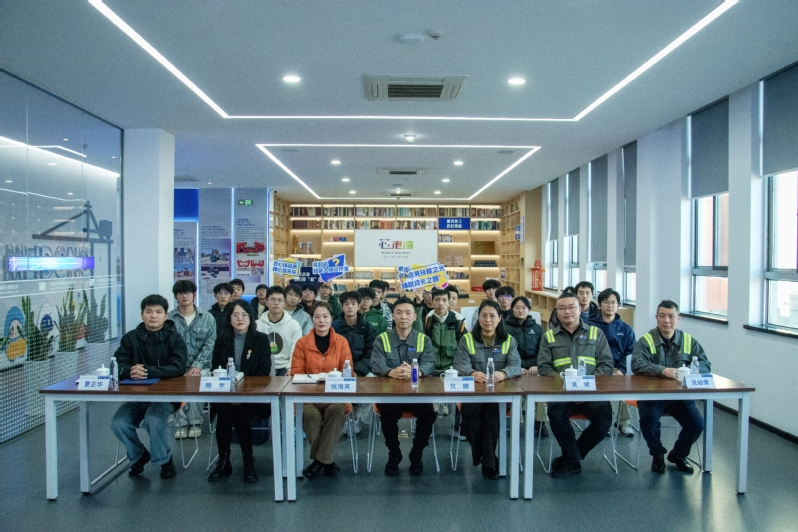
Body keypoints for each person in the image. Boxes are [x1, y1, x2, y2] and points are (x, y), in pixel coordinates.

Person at [537, 292, 614, 478]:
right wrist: (566, 383)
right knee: (556, 416)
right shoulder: (549, 337)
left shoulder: (596, 334)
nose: (567, 312)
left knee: (604, 419)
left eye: (571, 307)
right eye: (562, 308)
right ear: (557, 312)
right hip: (562, 391)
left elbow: (606, 365)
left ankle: (572, 457)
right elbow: (544, 367)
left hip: (591, 391)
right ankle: (572, 460)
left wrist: (587, 385)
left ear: (580, 309)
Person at [110, 294, 187, 479]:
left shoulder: (174, 338)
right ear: (142, 314)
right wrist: (130, 371)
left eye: (158, 312)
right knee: (119, 423)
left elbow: (178, 367)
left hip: (167, 397)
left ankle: (164, 460)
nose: (153, 316)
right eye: (149, 311)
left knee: (153, 418)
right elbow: (118, 363)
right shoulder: (130, 338)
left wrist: (148, 371)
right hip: (138, 397)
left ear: (166, 315)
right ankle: (138, 455)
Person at [632, 300, 711, 474]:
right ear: (656, 318)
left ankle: (678, 455)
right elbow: (637, 364)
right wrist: (662, 370)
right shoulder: (646, 340)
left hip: (679, 396)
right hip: (652, 395)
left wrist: (691, 371)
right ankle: (657, 455)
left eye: (671, 316)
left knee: (697, 424)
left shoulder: (688, 341)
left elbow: (705, 364)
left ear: (678, 318)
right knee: (649, 421)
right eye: (662, 316)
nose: (666, 320)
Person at [453, 300, 522, 479]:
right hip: (473, 393)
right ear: (478, 318)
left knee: (492, 418)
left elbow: (516, 365)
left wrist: (504, 373)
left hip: (499, 393)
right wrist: (472, 372)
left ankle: (486, 462)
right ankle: (488, 459)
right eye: (484, 315)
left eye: (492, 316)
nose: (488, 320)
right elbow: (459, 364)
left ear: (499, 318)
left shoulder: (509, 340)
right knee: (471, 419)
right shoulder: (467, 339)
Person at [370, 297, 437, 475]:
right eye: (399, 312)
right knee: (387, 414)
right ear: (393, 316)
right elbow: (376, 364)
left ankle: (417, 452)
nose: (403, 317)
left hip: (418, 393)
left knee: (429, 414)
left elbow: (430, 363)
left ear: (415, 316)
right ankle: (394, 452)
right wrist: (391, 372)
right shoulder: (382, 339)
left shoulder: (423, 339)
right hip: (391, 394)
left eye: (408, 313)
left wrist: (418, 371)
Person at [207, 300, 272, 483]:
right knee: (225, 412)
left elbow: (263, 373)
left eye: (244, 315)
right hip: (226, 394)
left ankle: (247, 460)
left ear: (251, 318)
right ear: (229, 319)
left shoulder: (260, 339)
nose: (240, 319)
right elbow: (215, 367)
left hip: (253, 395)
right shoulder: (222, 339)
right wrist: (230, 394)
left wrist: (241, 394)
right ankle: (224, 460)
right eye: (235, 315)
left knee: (239, 413)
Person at [291, 301, 354, 479]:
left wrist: (330, 393)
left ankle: (319, 462)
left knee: (336, 411)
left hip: (336, 395)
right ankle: (327, 461)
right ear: (312, 319)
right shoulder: (302, 343)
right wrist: (314, 394)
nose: (321, 321)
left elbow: (348, 372)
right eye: (317, 317)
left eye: (325, 316)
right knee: (311, 416)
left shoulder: (341, 342)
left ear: (331, 319)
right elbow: (296, 373)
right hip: (308, 396)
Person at [169, 280, 217, 438]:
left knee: (197, 380)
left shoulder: (207, 317)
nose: (184, 296)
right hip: (176, 366)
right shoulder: (169, 319)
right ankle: (181, 424)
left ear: (194, 294)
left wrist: (197, 365)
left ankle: (196, 422)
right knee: (175, 382)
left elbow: (210, 344)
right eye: (180, 293)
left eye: (187, 292)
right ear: (175, 296)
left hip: (201, 366)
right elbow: (167, 346)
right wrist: (177, 366)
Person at [589, 288, 636, 437]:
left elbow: (630, 352)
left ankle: (623, 422)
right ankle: (604, 422)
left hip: (618, 369)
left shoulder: (626, 329)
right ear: (599, 305)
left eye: (613, 302)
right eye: (606, 302)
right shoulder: (589, 326)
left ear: (618, 305)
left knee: (625, 384)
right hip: (596, 369)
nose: (610, 305)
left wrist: (621, 369)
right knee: (603, 385)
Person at [331, 290, 377, 435]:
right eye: (346, 304)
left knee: (373, 385)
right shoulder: (333, 327)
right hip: (338, 369)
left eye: (353, 303)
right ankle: (343, 418)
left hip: (361, 368)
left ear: (359, 306)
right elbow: (331, 353)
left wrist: (357, 370)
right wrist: (344, 372)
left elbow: (371, 353)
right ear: (342, 306)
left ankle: (360, 419)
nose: (350, 307)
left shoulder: (368, 328)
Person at [504, 296, 547, 437]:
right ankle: (516, 422)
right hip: (515, 368)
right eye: (517, 307)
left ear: (529, 310)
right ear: (512, 309)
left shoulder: (537, 328)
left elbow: (543, 351)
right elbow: (505, 352)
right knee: (517, 389)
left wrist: (537, 365)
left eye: (524, 307)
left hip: (534, 368)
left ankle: (540, 422)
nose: (520, 310)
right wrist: (516, 367)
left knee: (540, 389)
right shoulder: (504, 327)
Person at [423, 287, 467, 418]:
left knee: (461, 400)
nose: (440, 303)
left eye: (444, 300)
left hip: (452, 368)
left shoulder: (458, 322)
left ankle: (456, 425)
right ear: (432, 302)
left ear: (449, 302)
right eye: (437, 300)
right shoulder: (428, 321)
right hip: (431, 368)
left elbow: (464, 347)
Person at [255, 286, 302, 376]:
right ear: (266, 302)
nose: (276, 303)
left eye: (280, 300)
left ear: (284, 303)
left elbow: (295, 350)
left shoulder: (294, 325)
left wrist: (290, 368)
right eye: (273, 299)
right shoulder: (257, 325)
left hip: (285, 368)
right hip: (263, 368)